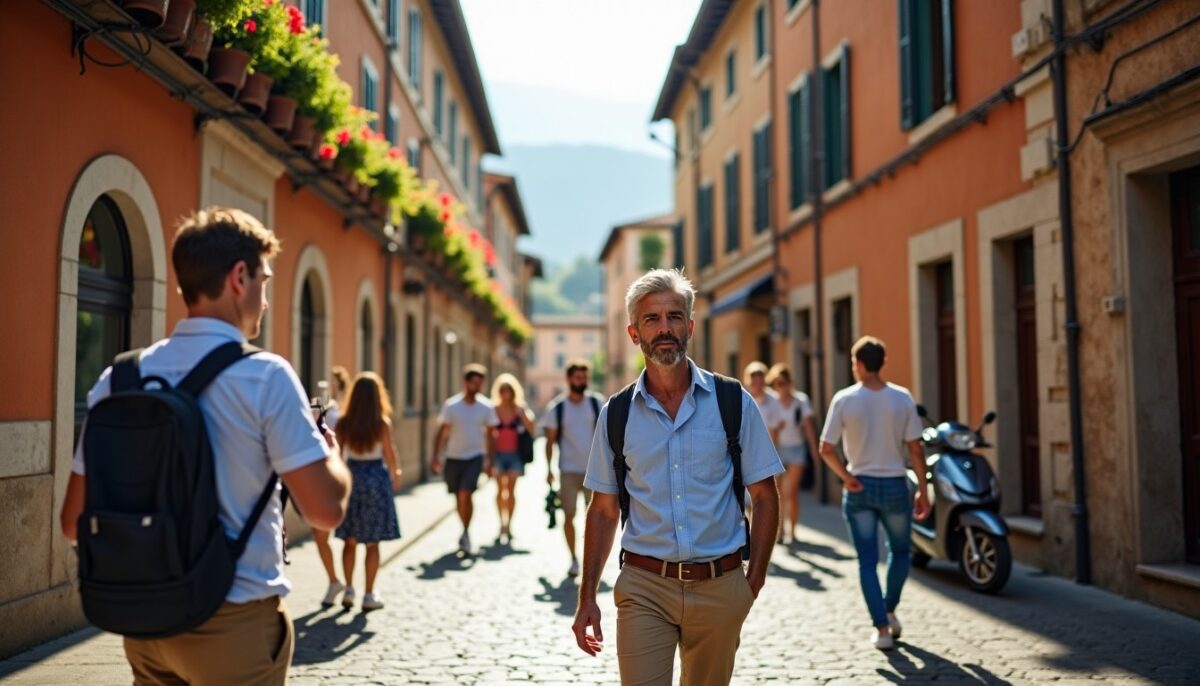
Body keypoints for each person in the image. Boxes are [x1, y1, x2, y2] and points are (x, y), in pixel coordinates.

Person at [60, 207, 352, 685]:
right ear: (239, 277)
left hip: (145, 628)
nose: (264, 298)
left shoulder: (120, 377)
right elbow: (325, 510)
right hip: (232, 623)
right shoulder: (265, 376)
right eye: (264, 279)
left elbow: (73, 522)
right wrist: (330, 453)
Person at [572, 268, 783, 685]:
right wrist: (586, 597)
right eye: (652, 319)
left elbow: (765, 494)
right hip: (644, 588)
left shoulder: (732, 400)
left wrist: (751, 582)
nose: (664, 328)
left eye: (673, 317)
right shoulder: (616, 414)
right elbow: (602, 511)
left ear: (689, 325)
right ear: (635, 333)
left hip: (720, 586)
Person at [818, 336, 931, 651]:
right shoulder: (902, 398)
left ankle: (882, 628)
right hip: (896, 484)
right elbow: (916, 449)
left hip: (861, 487)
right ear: (881, 363)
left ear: (859, 364)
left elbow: (825, 448)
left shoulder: (844, 399)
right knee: (901, 552)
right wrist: (923, 490)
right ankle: (890, 609)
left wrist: (845, 476)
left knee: (867, 561)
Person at [334, 372, 402, 611]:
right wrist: (396, 474)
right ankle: (369, 594)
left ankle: (349, 589)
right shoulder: (381, 423)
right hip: (375, 479)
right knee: (372, 542)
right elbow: (389, 453)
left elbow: (337, 456)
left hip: (352, 478)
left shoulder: (343, 423)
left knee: (349, 541)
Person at [540, 358, 605, 577]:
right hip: (567, 471)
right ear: (568, 379)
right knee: (568, 516)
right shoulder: (557, 408)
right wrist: (548, 469)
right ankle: (573, 558)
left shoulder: (597, 403)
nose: (582, 381)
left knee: (596, 519)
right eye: (578, 377)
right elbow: (549, 442)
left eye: (585, 377)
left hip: (594, 473)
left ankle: (591, 560)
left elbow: (607, 438)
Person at [431, 363, 499, 555]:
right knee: (457, 497)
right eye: (473, 382)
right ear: (466, 383)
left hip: (475, 457)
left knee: (465, 493)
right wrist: (436, 455)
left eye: (480, 383)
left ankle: (466, 532)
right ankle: (464, 528)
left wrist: (490, 461)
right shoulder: (452, 406)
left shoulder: (486, 407)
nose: (476, 387)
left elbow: (491, 434)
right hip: (453, 457)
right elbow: (443, 432)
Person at [766, 363, 819, 546]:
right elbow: (771, 432)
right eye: (778, 383)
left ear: (790, 382)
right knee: (777, 493)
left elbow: (809, 427)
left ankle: (793, 532)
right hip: (778, 450)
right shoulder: (772, 403)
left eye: (785, 382)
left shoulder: (801, 401)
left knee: (790, 493)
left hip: (797, 449)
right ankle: (778, 532)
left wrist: (814, 450)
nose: (782, 386)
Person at [316, 365, 352, 607]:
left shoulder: (348, 414)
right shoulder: (322, 409)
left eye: (332, 384)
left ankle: (349, 587)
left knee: (351, 536)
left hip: (346, 474)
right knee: (320, 534)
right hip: (323, 474)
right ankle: (334, 580)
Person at [490, 373, 536, 544]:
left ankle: (509, 524)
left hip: (515, 455)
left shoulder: (520, 408)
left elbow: (532, 427)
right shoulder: (493, 409)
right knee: (499, 491)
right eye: (503, 389)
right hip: (498, 454)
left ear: (513, 391)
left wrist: (521, 415)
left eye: (508, 389)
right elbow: (487, 432)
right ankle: (500, 522)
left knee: (511, 491)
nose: (505, 392)